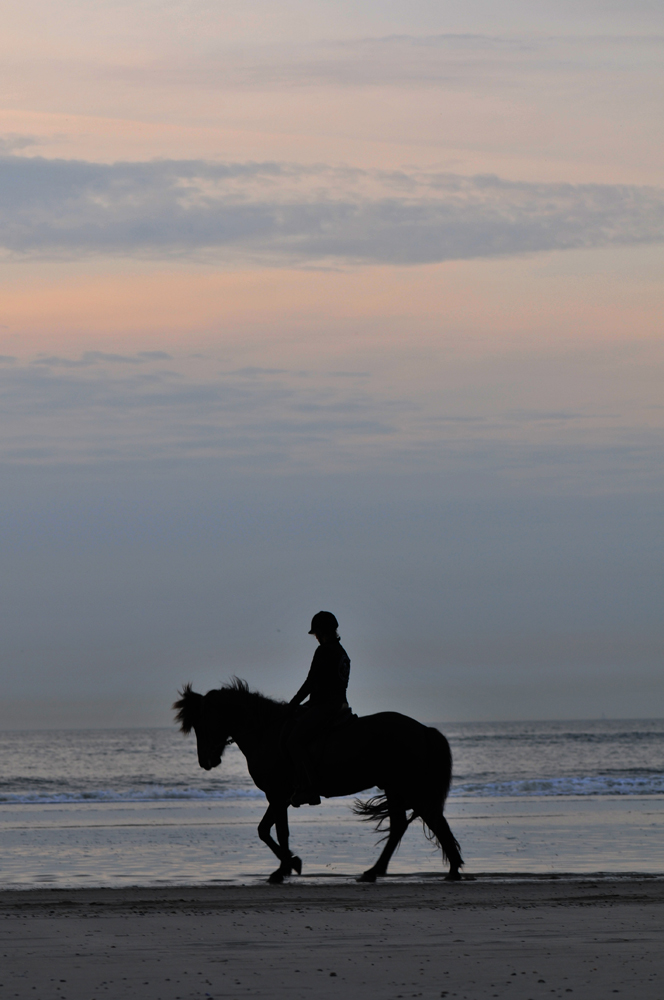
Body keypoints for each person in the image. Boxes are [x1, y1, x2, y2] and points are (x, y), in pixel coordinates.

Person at [286, 611, 352, 807]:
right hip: (340, 705)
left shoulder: (324, 651)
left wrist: (292, 704)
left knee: (293, 742)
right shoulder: (342, 651)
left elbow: (310, 683)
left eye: (316, 633)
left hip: (325, 707)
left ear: (322, 632)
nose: (315, 637)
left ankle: (310, 789)